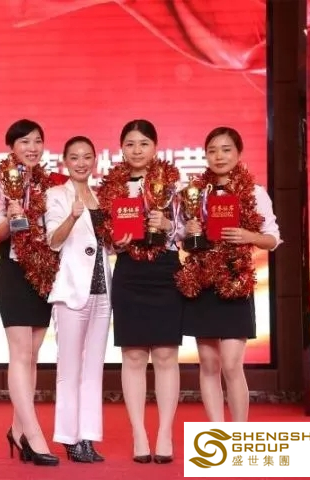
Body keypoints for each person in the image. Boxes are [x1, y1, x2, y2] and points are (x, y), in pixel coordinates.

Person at [95, 119, 184, 464]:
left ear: (155, 147)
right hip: (130, 272)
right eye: (130, 144)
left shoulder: (174, 185)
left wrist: (168, 225)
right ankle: (139, 433)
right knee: (132, 356)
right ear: (121, 148)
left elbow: (191, 231)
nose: (137, 150)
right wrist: (115, 242)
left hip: (165, 270)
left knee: (165, 356)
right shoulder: (110, 188)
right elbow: (103, 238)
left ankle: (164, 433)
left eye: (143, 143)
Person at [179, 127, 282, 422]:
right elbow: (183, 241)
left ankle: (238, 434)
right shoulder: (195, 193)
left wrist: (248, 236)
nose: (219, 156)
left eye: (226, 150)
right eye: (212, 150)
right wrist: (188, 231)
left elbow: (273, 239)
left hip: (235, 281)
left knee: (232, 364)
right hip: (202, 282)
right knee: (209, 364)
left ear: (238, 153)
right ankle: (218, 433)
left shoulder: (254, 192)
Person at [0, 119, 60, 466]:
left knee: (33, 355)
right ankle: (35, 434)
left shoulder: (49, 184)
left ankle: (18, 430)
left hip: (42, 272)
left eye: (37, 141)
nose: (32, 147)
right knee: (20, 353)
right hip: (14, 271)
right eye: (25, 141)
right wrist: (12, 218)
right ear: (11, 147)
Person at [45, 136, 112, 463]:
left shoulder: (101, 196)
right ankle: (69, 438)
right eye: (75, 157)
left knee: (93, 369)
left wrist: (120, 242)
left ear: (94, 160)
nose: (81, 163)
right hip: (71, 289)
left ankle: (87, 437)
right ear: (65, 161)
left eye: (87, 157)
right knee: (69, 369)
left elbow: (105, 244)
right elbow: (53, 241)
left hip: (102, 291)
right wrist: (72, 217)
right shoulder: (57, 195)